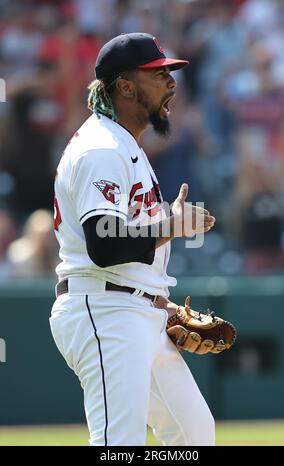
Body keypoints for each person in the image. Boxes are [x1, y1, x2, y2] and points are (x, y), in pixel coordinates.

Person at [49, 32, 216, 446]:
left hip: (134, 306)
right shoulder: (101, 148)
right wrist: (173, 224)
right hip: (105, 309)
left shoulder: (125, 145)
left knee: (193, 435)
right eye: (157, 75)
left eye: (170, 74)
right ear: (125, 86)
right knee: (117, 445)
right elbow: (103, 244)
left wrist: (154, 295)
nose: (171, 84)